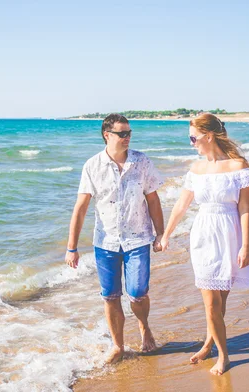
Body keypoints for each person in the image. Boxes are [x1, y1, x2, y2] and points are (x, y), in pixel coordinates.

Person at [160, 113, 249, 375]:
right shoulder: (196, 169)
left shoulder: (238, 166)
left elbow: (245, 208)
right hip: (203, 234)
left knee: (220, 300)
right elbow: (182, 205)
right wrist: (166, 234)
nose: (191, 143)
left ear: (208, 136)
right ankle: (224, 356)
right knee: (210, 301)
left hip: (230, 234)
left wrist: (245, 246)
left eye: (194, 138)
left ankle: (208, 343)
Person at [65, 113, 165, 364]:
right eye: (122, 133)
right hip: (105, 242)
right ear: (106, 135)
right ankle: (118, 345)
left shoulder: (141, 162)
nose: (127, 137)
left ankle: (144, 326)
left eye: (129, 133)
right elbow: (81, 207)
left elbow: (153, 199)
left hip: (138, 238)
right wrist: (72, 247)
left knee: (138, 293)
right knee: (110, 295)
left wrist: (160, 233)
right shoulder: (92, 166)